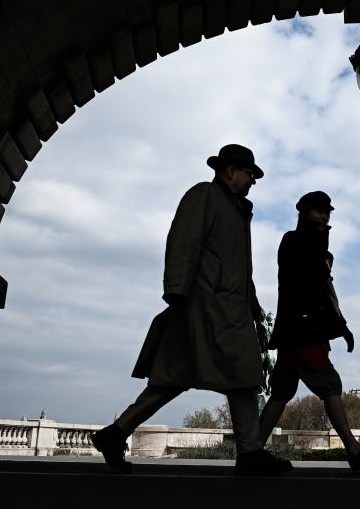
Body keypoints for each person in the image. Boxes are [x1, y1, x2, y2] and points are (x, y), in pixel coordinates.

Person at [91, 144, 291, 475]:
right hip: (207, 307)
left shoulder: (234, 209)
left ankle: (116, 433)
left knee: (181, 377)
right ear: (230, 171)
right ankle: (250, 452)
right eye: (250, 173)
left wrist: (254, 307)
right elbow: (183, 242)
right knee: (237, 375)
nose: (254, 180)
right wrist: (176, 293)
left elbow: (241, 270)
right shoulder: (205, 196)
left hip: (226, 308)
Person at [261, 191, 360, 471]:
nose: (323, 217)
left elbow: (321, 289)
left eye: (326, 213)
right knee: (330, 385)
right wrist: (340, 326)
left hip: (293, 331)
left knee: (281, 393)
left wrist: (340, 326)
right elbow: (316, 287)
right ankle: (353, 449)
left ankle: (251, 450)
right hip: (306, 330)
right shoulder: (299, 242)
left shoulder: (310, 245)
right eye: (317, 211)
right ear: (303, 212)